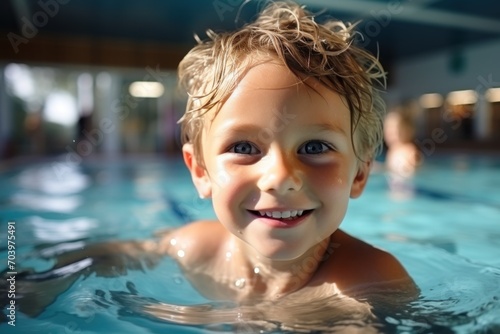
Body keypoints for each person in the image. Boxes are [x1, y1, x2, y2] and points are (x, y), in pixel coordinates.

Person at [1, 1, 418, 329]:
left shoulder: (369, 281)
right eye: (243, 146)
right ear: (200, 170)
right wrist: (30, 287)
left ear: (360, 172)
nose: (279, 177)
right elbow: (108, 254)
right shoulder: (195, 246)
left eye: (313, 146)